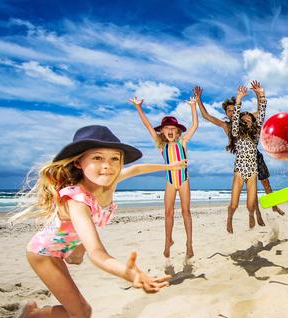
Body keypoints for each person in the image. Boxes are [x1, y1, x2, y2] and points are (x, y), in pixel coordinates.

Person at [11, 125, 185, 317]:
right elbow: (97, 253)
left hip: (69, 245)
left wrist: (169, 167)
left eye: (114, 159)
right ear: (78, 162)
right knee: (82, 312)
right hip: (44, 253)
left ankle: (72, 258)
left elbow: (137, 168)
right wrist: (130, 273)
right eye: (97, 158)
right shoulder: (76, 201)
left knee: (76, 259)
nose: (107, 165)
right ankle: (32, 314)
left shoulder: (112, 180)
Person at [193, 85, 285, 221]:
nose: (231, 112)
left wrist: (259, 95)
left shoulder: (244, 117)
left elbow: (260, 112)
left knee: (266, 182)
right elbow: (206, 116)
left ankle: (274, 205)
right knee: (251, 189)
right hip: (242, 159)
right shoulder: (226, 125)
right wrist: (199, 100)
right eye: (228, 111)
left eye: (233, 109)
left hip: (255, 155)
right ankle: (257, 214)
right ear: (225, 113)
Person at [130, 97, 198, 258]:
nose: (170, 130)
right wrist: (138, 107)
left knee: (186, 212)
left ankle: (189, 243)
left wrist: (193, 107)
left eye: (173, 128)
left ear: (178, 131)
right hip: (170, 180)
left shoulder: (183, 141)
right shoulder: (162, 145)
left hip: (183, 180)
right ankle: (168, 240)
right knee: (168, 213)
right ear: (161, 131)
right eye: (166, 128)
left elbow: (195, 126)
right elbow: (147, 125)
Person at [225, 81, 267, 233]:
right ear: (242, 122)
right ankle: (229, 218)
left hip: (253, 171)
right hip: (239, 171)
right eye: (246, 118)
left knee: (251, 204)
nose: (248, 119)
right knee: (234, 204)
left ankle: (251, 214)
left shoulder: (255, 136)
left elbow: (261, 113)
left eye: (251, 118)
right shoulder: (236, 133)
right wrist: (239, 98)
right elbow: (235, 116)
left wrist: (261, 94)